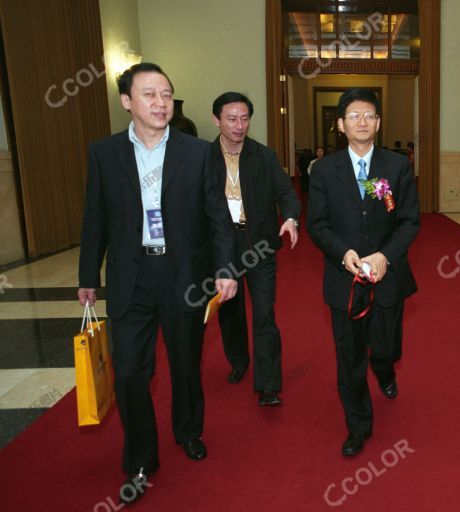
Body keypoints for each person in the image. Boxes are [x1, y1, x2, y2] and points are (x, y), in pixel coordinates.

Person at [77, 63, 238, 504]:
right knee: (130, 373)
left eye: (166, 94)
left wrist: (226, 269)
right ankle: (141, 460)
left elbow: (217, 215)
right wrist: (88, 276)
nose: (160, 103)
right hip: (131, 276)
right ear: (127, 101)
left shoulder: (196, 151)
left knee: (186, 364)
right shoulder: (104, 153)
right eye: (149, 94)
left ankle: (188, 431)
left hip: (183, 274)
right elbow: (95, 219)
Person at [307, 88, 419, 457]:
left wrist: (386, 255)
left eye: (369, 115)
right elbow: (317, 224)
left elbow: (408, 220)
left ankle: (385, 371)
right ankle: (358, 425)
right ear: (340, 124)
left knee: (386, 348)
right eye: (353, 116)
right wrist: (343, 253)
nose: (362, 122)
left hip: (387, 276)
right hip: (345, 279)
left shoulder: (396, 166)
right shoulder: (323, 170)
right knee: (349, 357)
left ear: (379, 122)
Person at [210, 92, 300, 406]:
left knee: (264, 313)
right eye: (232, 119)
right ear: (217, 120)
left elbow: (286, 191)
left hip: (259, 244)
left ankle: (268, 384)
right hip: (222, 247)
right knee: (231, 313)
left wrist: (290, 217)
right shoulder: (203, 158)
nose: (239, 125)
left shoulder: (263, 156)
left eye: (245, 118)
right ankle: (239, 361)